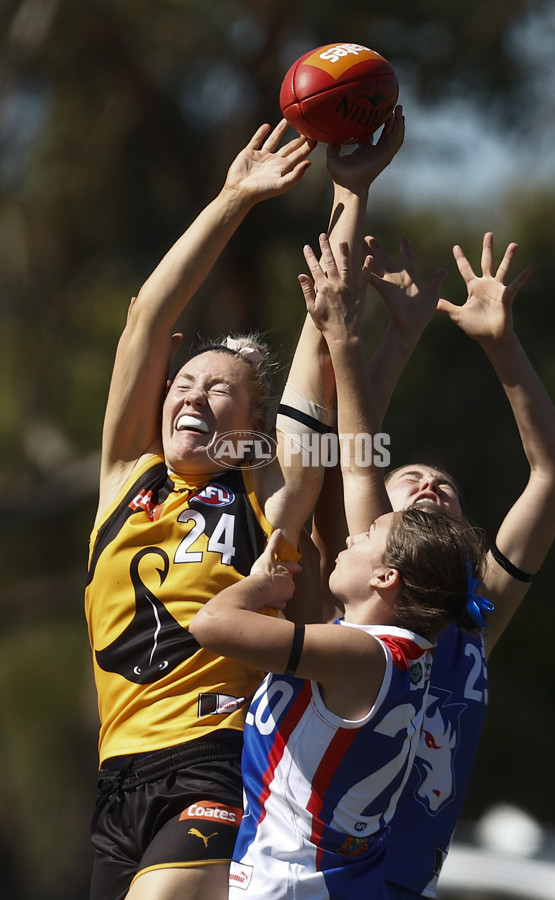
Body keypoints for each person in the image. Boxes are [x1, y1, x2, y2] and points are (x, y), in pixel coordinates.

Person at [85, 111, 406, 900]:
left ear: (253, 427)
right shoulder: (129, 475)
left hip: (218, 757)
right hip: (117, 774)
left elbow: (320, 323)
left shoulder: (267, 488)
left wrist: (349, 191)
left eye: (218, 388)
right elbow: (144, 323)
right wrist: (233, 198)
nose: (192, 394)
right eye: (184, 383)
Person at [189, 234, 488, 900]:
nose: (350, 538)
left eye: (365, 537)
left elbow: (211, 622)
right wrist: (350, 339)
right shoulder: (391, 649)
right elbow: (357, 465)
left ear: (386, 578)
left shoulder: (364, 658)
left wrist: (259, 585)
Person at [311, 232, 555, 899]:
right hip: (317, 881)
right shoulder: (372, 592)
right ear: (376, 530)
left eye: (446, 487)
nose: (432, 483)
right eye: (411, 480)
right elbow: (356, 454)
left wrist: (502, 343)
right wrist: (382, 339)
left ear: (463, 535)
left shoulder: (472, 618)